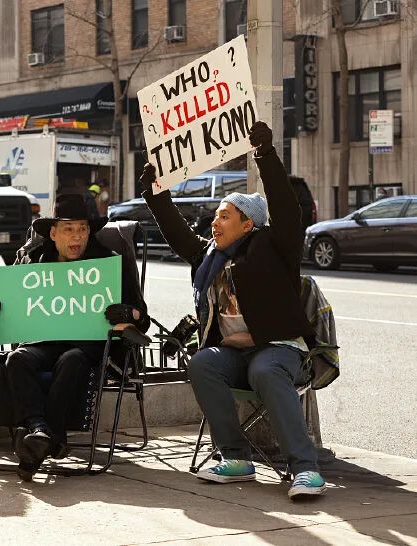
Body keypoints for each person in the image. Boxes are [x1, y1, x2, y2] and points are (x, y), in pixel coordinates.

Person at [139, 121, 325, 500]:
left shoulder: (275, 247)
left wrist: (266, 155)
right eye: (216, 216)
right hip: (233, 354)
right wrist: (156, 194)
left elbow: (288, 210)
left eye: (224, 216)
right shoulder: (210, 257)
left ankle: (305, 469)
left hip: (279, 349)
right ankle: (236, 458)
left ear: (248, 224)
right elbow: (179, 235)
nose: (214, 222)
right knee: (203, 363)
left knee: (265, 370)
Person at [0, 193, 150, 481]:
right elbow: (12, 305)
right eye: (69, 229)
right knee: (17, 359)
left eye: (82, 228)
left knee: (72, 360)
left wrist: (128, 313)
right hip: (43, 343)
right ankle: (41, 431)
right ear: (53, 233)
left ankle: (43, 438)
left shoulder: (108, 264)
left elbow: (142, 318)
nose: (77, 236)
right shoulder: (34, 262)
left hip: (90, 346)